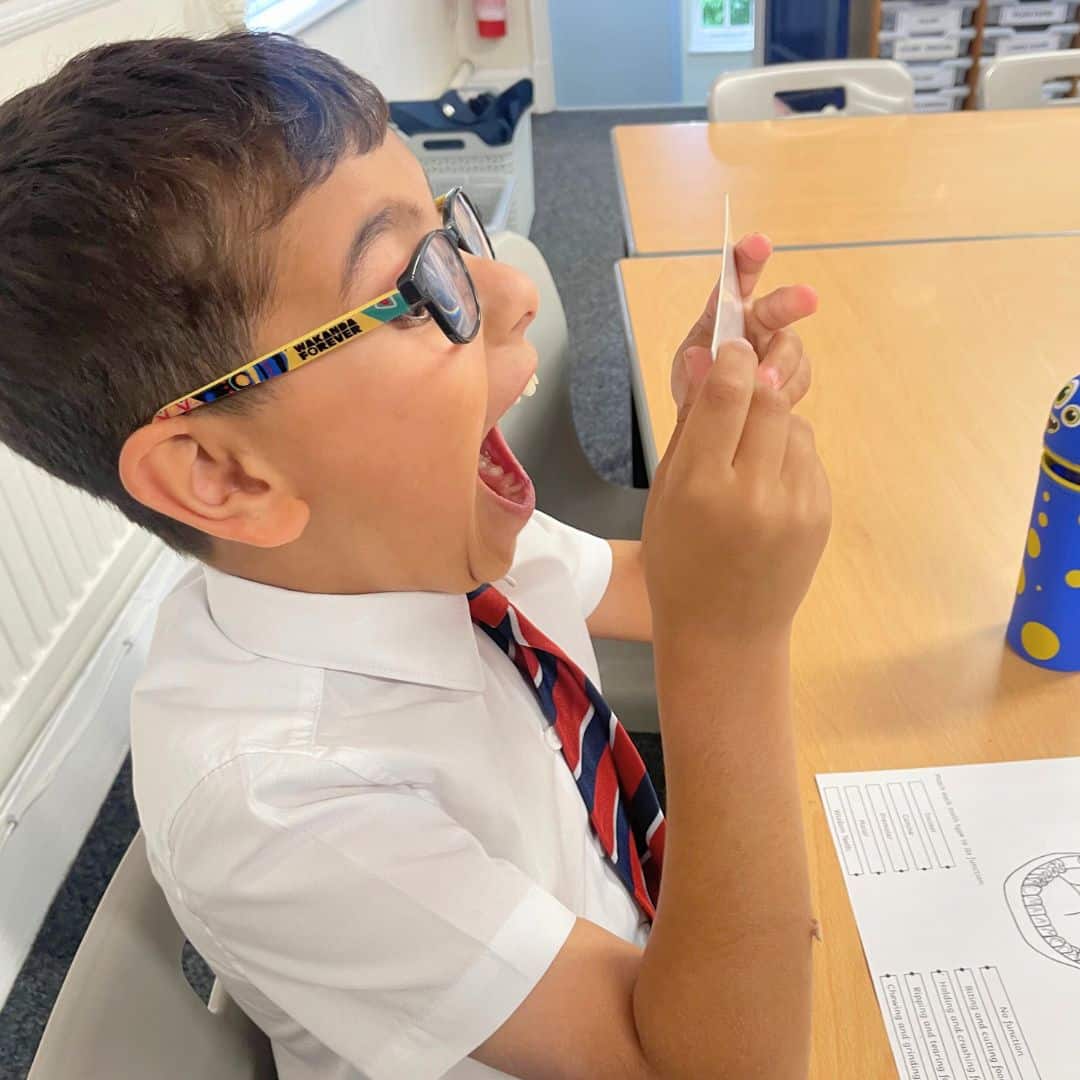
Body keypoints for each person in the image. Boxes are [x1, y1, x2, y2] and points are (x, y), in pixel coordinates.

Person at [0, 32, 830, 1080]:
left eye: (450, 230)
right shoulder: (279, 808)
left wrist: (718, 450)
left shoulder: (417, 529)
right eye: (416, 282)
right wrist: (734, 644)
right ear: (223, 473)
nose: (513, 291)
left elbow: (649, 587)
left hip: (639, 934)